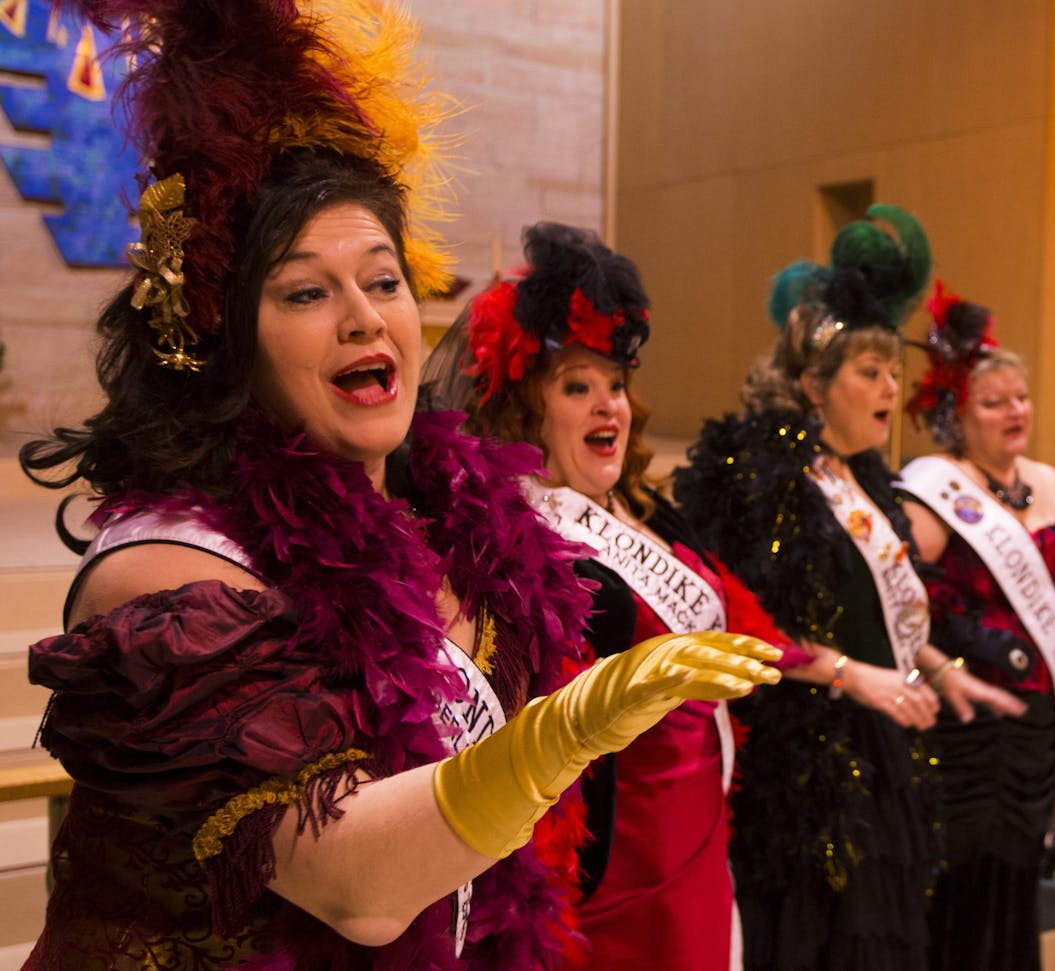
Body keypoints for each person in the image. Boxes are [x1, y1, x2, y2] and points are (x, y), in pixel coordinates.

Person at [17, 3, 780, 967]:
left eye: (383, 281)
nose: (362, 320)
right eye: (305, 291)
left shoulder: (460, 527)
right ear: (225, 340)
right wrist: (562, 735)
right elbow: (357, 886)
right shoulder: (171, 577)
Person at [422, 221, 796, 970]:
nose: (609, 408)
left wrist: (849, 672)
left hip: (700, 845)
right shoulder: (518, 543)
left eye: (616, 386)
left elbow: (734, 626)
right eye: (577, 387)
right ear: (529, 408)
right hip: (619, 879)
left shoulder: (653, 512)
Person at [673, 206, 1024, 971]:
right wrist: (850, 673)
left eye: (896, 372)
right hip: (809, 774)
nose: (891, 387)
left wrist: (937, 666)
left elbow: (879, 609)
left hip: (879, 745)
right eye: (871, 372)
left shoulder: (863, 476)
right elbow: (744, 633)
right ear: (811, 384)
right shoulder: (763, 484)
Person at [896, 286, 1055, 971]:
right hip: (966, 723)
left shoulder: (1052, 482)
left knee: (1019, 877)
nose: (1014, 411)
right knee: (965, 886)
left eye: (1020, 397)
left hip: (1032, 724)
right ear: (956, 417)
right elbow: (911, 601)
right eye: (993, 403)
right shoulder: (934, 489)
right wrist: (979, 642)